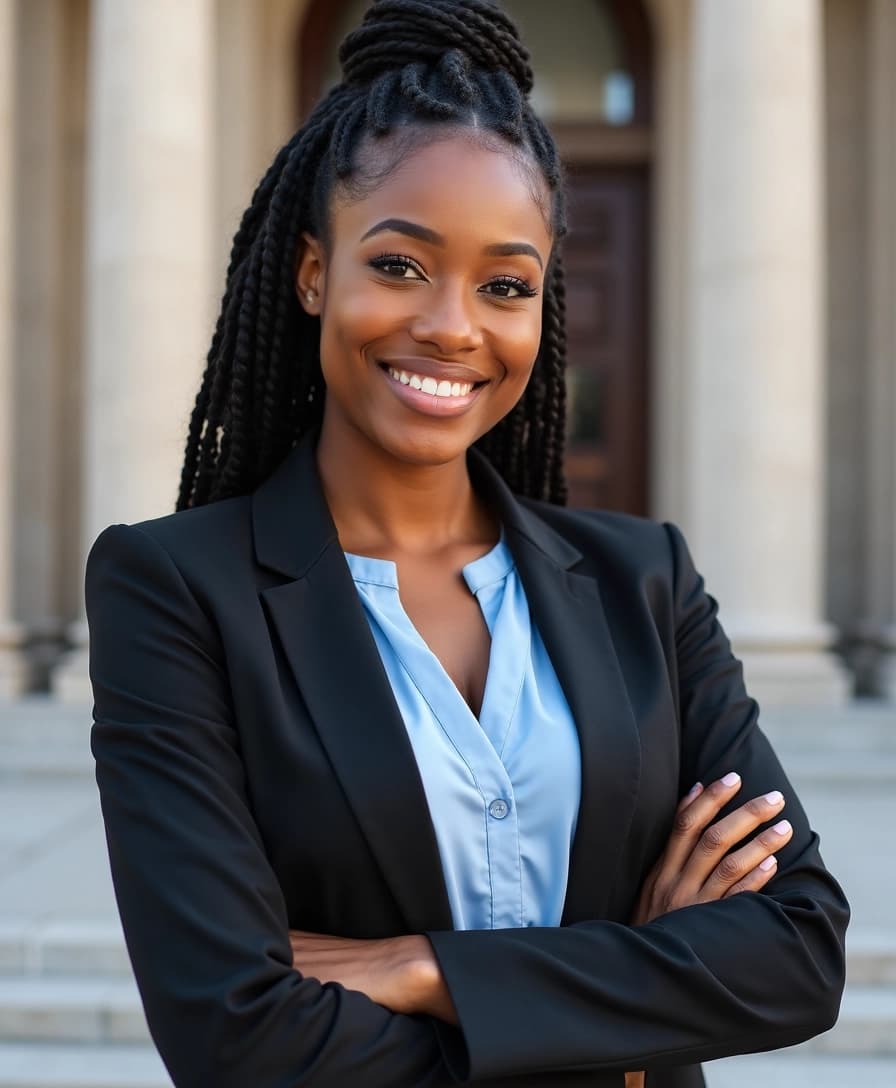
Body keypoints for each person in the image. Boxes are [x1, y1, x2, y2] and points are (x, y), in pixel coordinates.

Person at [84, 2, 849, 1086]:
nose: (454, 325)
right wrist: (628, 1007)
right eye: (399, 264)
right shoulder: (175, 589)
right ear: (313, 272)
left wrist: (418, 965)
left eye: (504, 284)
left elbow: (797, 950)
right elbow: (234, 1031)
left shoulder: (644, 582)